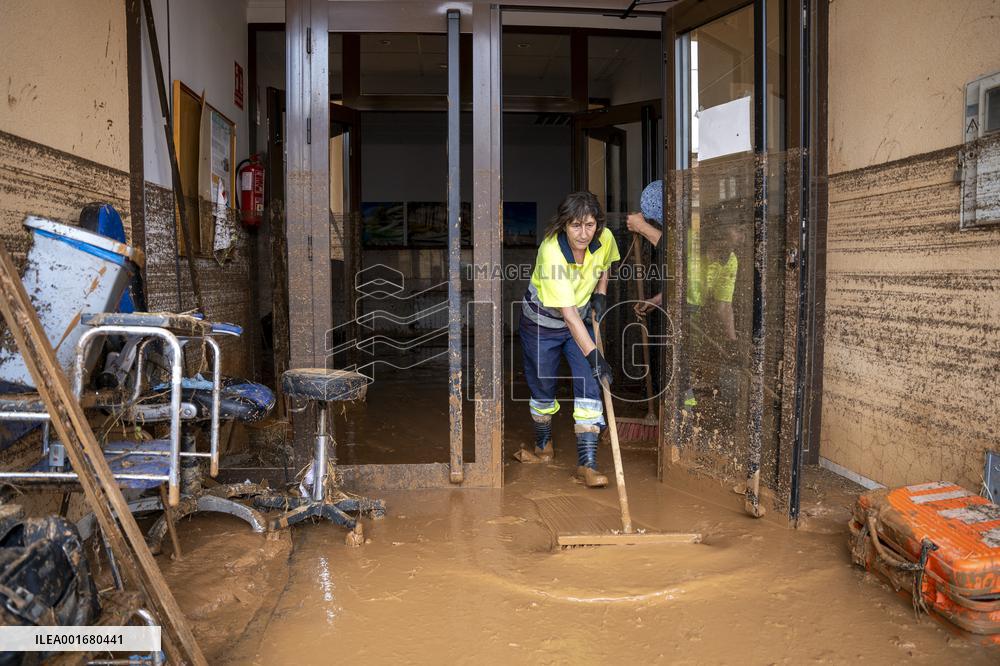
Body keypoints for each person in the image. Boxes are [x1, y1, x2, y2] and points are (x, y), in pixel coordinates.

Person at [520, 191, 620, 488]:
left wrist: (600, 292)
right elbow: (568, 315)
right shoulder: (551, 252)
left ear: (597, 224)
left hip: (577, 317)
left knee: (590, 382)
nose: (584, 233)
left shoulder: (604, 237)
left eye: (589, 225)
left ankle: (587, 464)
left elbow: (606, 264)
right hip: (542, 323)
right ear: (564, 224)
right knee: (543, 386)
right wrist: (595, 355)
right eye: (576, 225)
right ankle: (543, 445)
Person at [626, 180, 741, 409]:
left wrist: (732, 343)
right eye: (738, 229)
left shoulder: (730, 261)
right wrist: (658, 300)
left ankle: (687, 414)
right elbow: (676, 258)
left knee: (686, 371)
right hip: (679, 313)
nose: (742, 236)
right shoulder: (692, 240)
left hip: (696, 322)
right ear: (718, 233)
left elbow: (723, 306)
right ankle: (683, 413)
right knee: (678, 372)